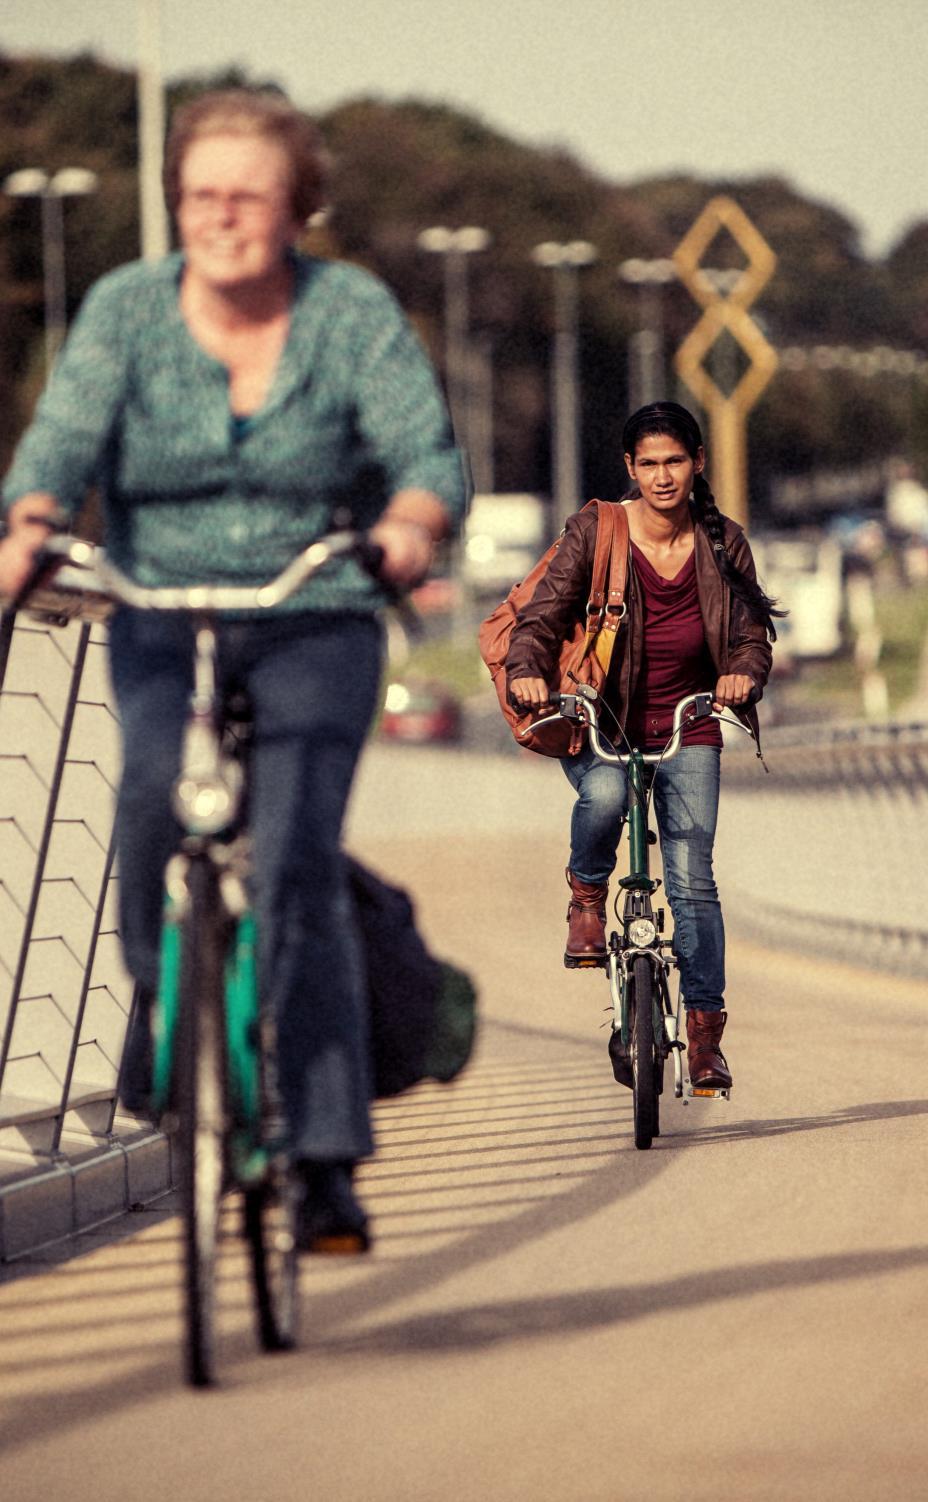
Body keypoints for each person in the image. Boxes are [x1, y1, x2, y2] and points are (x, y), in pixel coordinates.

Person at [0, 89, 466, 1252]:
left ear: (294, 207)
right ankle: (169, 1028)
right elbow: (58, 445)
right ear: (175, 204)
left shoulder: (347, 311)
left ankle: (319, 1160)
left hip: (315, 611)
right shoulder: (126, 312)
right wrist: (30, 525)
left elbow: (423, 454)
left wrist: (408, 523)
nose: (220, 218)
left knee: (298, 865)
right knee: (153, 803)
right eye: (199, 195)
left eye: (246, 197)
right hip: (162, 609)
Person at [505, 401, 779, 1090]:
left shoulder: (724, 542)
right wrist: (528, 671)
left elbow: (750, 631)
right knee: (600, 793)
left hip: (692, 721)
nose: (662, 477)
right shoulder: (597, 530)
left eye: (675, 462)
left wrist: (744, 672)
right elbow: (543, 615)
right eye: (649, 463)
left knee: (692, 883)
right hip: (604, 717)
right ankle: (588, 896)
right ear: (630, 468)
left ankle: (706, 1035)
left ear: (698, 464)